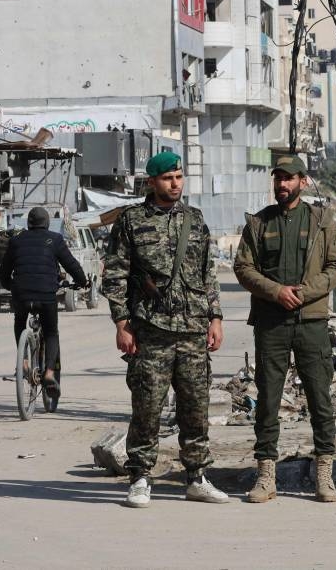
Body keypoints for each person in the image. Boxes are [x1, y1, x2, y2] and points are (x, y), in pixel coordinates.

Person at [101, 151, 228, 508]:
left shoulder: (195, 219)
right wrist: (121, 323)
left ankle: (197, 476)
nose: (175, 184)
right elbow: (115, 275)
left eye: (179, 177)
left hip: (191, 330)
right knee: (147, 408)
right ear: (152, 182)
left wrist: (215, 318)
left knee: (195, 407)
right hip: (150, 330)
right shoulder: (131, 220)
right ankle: (140, 477)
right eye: (168, 178)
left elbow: (208, 273)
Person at [233, 155, 336, 504]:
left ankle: (324, 474)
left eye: (289, 178)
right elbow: (243, 268)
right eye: (278, 178)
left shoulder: (320, 220)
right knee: (267, 400)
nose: (283, 184)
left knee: (319, 399)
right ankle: (266, 475)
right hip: (272, 323)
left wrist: (305, 293)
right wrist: (275, 292)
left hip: (311, 322)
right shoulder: (258, 223)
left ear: (303, 181)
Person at [0, 206, 88, 404]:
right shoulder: (55, 240)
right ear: (47, 223)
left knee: (20, 321)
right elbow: (71, 264)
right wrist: (83, 281)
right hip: (47, 294)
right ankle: (48, 373)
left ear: (28, 224)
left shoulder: (16, 241)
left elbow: (3, 272)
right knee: (51, 332)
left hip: (21, 294)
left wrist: (11, 287)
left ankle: (23, 361)